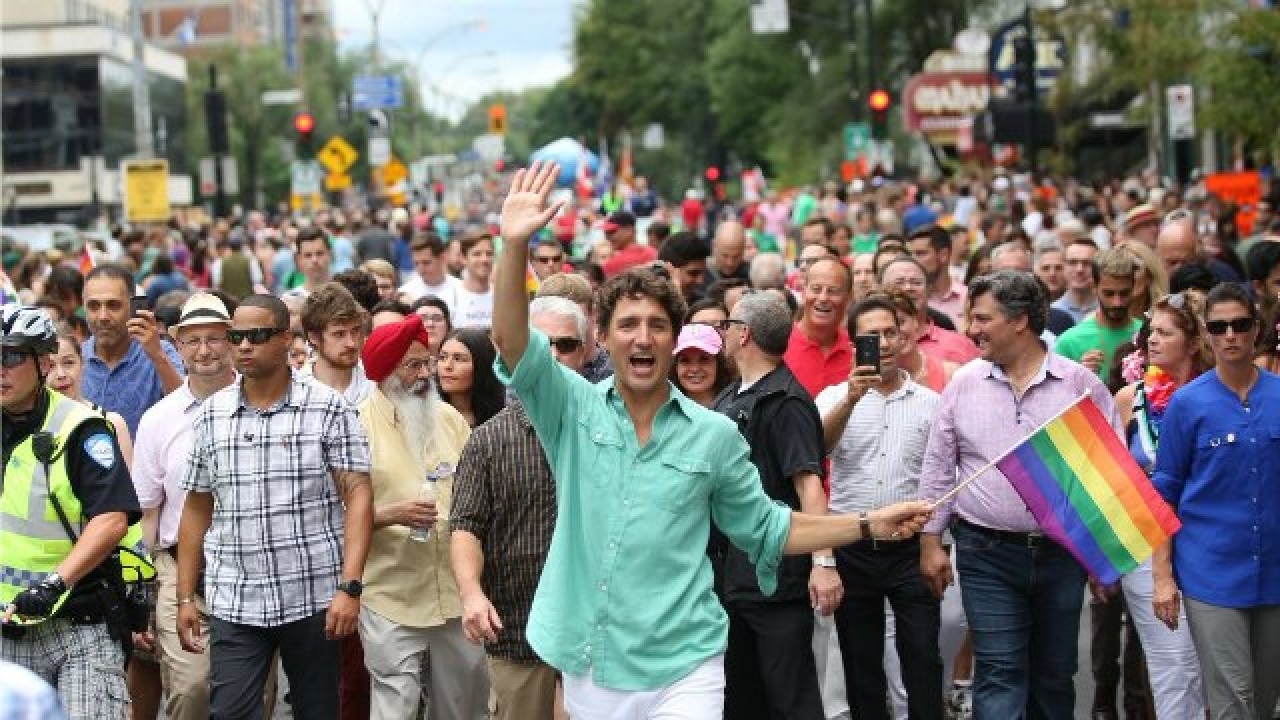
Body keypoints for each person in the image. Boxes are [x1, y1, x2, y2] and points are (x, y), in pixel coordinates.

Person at [489, 161, 930, 718]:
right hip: (593, 657)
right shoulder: (570, 407)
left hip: (688, 658)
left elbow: (770, 526)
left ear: (674, 340)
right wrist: (512, 246)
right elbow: (510, 344)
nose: (642, 337)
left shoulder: (716, 435)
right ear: (603, 337)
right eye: (627, 325)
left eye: (656, 325)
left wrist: (868, 524)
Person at [918, 270, 1118, 720]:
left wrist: (1104, 558)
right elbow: (937, 466)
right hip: (985, 552)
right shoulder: (964, 384)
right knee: (1001, 671)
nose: (972, 329)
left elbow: (1108, 476)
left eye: (984, 318)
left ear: (1020, 321)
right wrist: (931, 542)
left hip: (1062, 554)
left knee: (1053, 674)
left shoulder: (1079, 387)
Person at [174, 294, 374, 720]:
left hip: (314, 594)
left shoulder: (327, 407)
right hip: (235, 599)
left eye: (258, 335)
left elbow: (358, 495)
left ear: (287, 339)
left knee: (317, 711)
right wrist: (185, 597)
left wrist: (350, 586)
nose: (244, 345)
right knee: (228, 712)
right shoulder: (212, 416)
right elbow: (195, 507)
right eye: (237, 336)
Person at [132, 293, 277, 720]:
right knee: (191, 690)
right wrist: (144, 591)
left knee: (254, 697)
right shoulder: (159, 419)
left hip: (252, 569)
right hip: (180, 570)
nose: (204, 350)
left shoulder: (264, 405)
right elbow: (147, 510)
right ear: (177, 347)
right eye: (192, 341)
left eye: (214, 338)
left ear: (232, 341)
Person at [451, 296, 592, 720]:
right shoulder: (489, 441)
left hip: (599, 636)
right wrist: (472, 593)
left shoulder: (613, 430)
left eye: (564, 344)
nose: (550, 356)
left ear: (587, 351)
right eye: (537, 344)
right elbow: (465, 526)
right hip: (518, 631)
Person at [0, 305, 142, 718]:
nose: (0, 370)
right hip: (7, 626)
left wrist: (53, 584)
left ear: (44, 362)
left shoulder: (81, 428)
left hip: (77, 623)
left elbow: (113, 517)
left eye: (10, 357)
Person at [1151, 282, 1280, 720]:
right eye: (1219, 326)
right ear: (1206, 334)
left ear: (1256, 329)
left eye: (1240, 325)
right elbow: (1164, 494)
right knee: (1232, 698)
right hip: (1211, 573)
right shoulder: (1187, 404)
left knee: (1263, 701)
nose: (1230, 335)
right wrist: (1163, 577)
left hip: (1276, 571)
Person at [354, 315, 489, 720]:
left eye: (426, 362)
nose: (426, 373)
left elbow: (479, 492)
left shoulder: (448, 420)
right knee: (395, 706)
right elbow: (335, 515)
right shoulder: (356, 427)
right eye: (413, 365)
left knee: (462, 707)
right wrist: (388, 514)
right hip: (390, 595)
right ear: (384, 374)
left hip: (455, 593)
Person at [815, 295, 945, 720]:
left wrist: (933, 542)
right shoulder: (834, 397)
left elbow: (938, 477)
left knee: (922, 657)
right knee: (861, 665)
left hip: (909, 548)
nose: (884, 343)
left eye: (890, 332)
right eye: (872, 336)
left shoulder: (929, 403)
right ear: (854, 344)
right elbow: (818, 451)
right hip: (854, 544)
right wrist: (851, 399)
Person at [714, 291, 834, 719]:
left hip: (777, 583)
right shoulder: (729, 398)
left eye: (726, 326)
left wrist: (824, 563)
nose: (723, 335)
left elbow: (810, 486)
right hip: (733, 580)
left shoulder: (787, 402)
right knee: (741, 700)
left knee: (790, 700)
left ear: (743, 334)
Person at [1111, 292, 1208, 720]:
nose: (1152, 340)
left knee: (1214, 666)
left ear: (1192, 343)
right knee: (1173, 666)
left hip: (1207, 542)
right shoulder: (1128, 399)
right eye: (1151, 332)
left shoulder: (1213, 395)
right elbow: (1114, 481)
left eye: (1165, 333)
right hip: (1147, 546)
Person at [80, 264, 185, 436]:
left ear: (132, 307)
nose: (103, 316)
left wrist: (158, 357)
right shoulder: (74, 359)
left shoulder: (159, 351)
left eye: (113, 305)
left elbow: (185, 408)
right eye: (93, 306)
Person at [1054, 248, 1143, 386]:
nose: (1117, 302)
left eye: (1124, 293)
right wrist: (1079, 375)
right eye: (1109, 294)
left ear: (1133, 288)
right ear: (1094, 288)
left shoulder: (1148, 335)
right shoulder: (1069, 342)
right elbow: (1057, 398)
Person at [47, 332, 134, 468]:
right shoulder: (27, 426)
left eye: (68, 363)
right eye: (50, 366)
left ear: (82, 364)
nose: (60, 374)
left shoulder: (112, 423)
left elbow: (129, 487)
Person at [880, 257, 979, 366]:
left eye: (916, 282)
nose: (908, 288)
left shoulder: (960, 345)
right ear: (881, 289)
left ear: (929, 290)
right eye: (899, 282)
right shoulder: (870, 345)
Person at [783, 256, 854, 398]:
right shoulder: (779, 344)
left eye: (833, 291)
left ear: (849, 298)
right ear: (803, 292)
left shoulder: (856, 349)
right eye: (816, 289)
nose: (823, 298)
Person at [298, 283, 375, 407]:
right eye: (339, 334)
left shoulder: (376, 384)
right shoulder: (296, 393)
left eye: (355, 330)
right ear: (313, 337)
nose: (351, 343)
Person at [536, 272, 614, 383]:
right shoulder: (527, 373)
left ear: (594, 314)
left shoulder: (617, 377)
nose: (565, 325)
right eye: (554, 316)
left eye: (575, 315)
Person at [437, 327, 505, 428]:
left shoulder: (503, 419)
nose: (447, 366)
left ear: (482, 365)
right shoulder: (427, 415)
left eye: (458, 359)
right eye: (442, 357)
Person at [907, 225, 966, 329]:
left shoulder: (967, 298)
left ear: (944, 255)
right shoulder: (909, 300)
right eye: (910, 255)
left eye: (920, 253)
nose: (913, 261)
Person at [399, 232, 462, 312]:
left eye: (426, 262)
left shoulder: (461, 289)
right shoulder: (405, 292)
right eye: (416, 263)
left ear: (442, 258)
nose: (420, 269)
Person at [670, 323, 730, 407]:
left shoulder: (738, 407)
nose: (695, 369)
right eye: (685, 360)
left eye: (704, 359)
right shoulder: (660, 408)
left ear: (719, 363)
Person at [454, 233, 495, 329]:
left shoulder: (502, 297)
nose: (484, 259)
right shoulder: (452, 296)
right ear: (463, 258)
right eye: (477, 254)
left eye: (489, 254)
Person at [1052, 239, 1100, 323]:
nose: (1079, 269)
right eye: (1072, 262)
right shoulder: (1052, 313)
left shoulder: (1109, 310)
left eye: (1087, 263)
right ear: (1063, 266)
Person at [600, 211, 656, 277]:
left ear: (629, 230)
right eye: (606, 233)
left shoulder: (612, 264)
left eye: (611, 232)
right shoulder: (654, 252)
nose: (607, 237)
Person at [658, 232, 710, 304]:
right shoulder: (645, 305)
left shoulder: (703, 306)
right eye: (693, 273)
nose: (700, 281)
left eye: (702, 272)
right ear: (668, 270)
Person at [283, 228, 334, 299]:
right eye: (308, 255)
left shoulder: (346, 295)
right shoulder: (290, 299)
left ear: (330, 255)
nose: (314, 260)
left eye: (319, 254)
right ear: (299, 259)